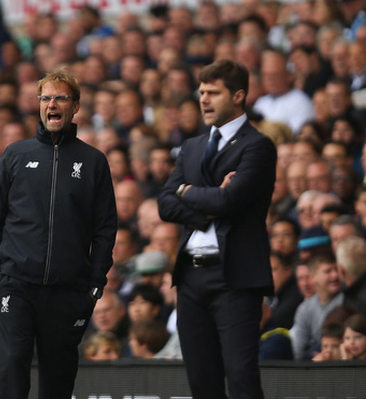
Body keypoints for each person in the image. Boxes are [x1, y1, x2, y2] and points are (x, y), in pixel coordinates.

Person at [0, 68, 117, 399]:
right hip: (16, 284)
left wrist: (94, 285)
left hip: (69, 291)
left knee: (58, 379)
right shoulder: (15, 155)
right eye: (45, 98)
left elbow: (105, 228)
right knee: (11, 365)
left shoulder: (94, 161)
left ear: (76, 106)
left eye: (60, 98)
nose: (51, 104)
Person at [158, 60, 276, 399]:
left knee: (240, 377)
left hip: (235, 278)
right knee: (201, 381)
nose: (204, 100)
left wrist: (189, 192)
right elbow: (165, 203)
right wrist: (204, 200)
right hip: (191, 279)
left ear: (238, 96)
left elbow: (232, 200)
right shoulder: (193, 146)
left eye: (213, 92)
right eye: (201, 92)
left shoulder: (258, 145)